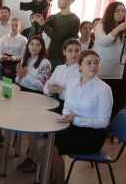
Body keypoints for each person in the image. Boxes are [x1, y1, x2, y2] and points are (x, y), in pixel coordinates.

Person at [34, 50, 113, 184]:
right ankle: (49, 179)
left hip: (92, 134)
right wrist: (67, 116)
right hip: (72, 125)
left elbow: (104, 122)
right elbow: (67, 107)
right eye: (89, 63)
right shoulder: (72, 83)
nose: (93, 66)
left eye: (96, 63)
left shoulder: (104, 89)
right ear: (80, 66)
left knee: (52, 148)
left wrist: (75, 120)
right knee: (40, 143)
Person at [17, 38, 83, 174]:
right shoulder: (59, 68)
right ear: (64, 52)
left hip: (70, 110)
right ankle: (32, 157)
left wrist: (60, 91)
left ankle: (37, 161)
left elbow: (78, 98)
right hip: (55, 103)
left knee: (41, 129)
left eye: (77, 51)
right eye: (70, 51)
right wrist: (53, 90)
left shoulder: (81, 71)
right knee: (33, 123)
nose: (74, 54)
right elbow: (46, 87)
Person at [94, 1, 126, 117]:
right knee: (99, 103)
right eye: (117, 11)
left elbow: (124, 51)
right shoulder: (100, 26)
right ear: (110, 12)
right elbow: (104, 42)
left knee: (113, 103)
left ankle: (110, 125)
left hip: (117, 73)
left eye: (123, 11)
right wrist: (118, 28)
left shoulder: (124, 31)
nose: (121, 13)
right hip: (101, 73)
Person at [33, 0, 80, 67]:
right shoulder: (56, 16)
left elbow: (57, 38)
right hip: (50, 55)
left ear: (70, 1)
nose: (58, 0)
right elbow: (42, 28)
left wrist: (43, 24)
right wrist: (36, 17)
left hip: (62, 58)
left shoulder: (74, 20)